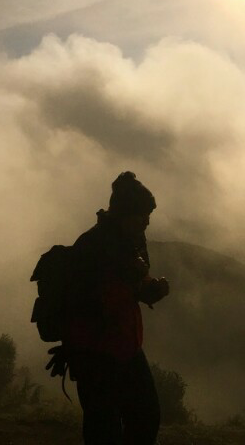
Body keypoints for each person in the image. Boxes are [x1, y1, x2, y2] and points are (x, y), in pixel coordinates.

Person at [61, 171, 170, 445]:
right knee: (105, 428)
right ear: (122, 214)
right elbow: (87, 299)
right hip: (96, 352)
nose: (146, 222)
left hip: (124, 347)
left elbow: (130, 289)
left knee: (144, 417)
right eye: (141, 215)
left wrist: (150, 291)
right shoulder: (95, 246)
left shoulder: (127, 244)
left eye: (148, 216)